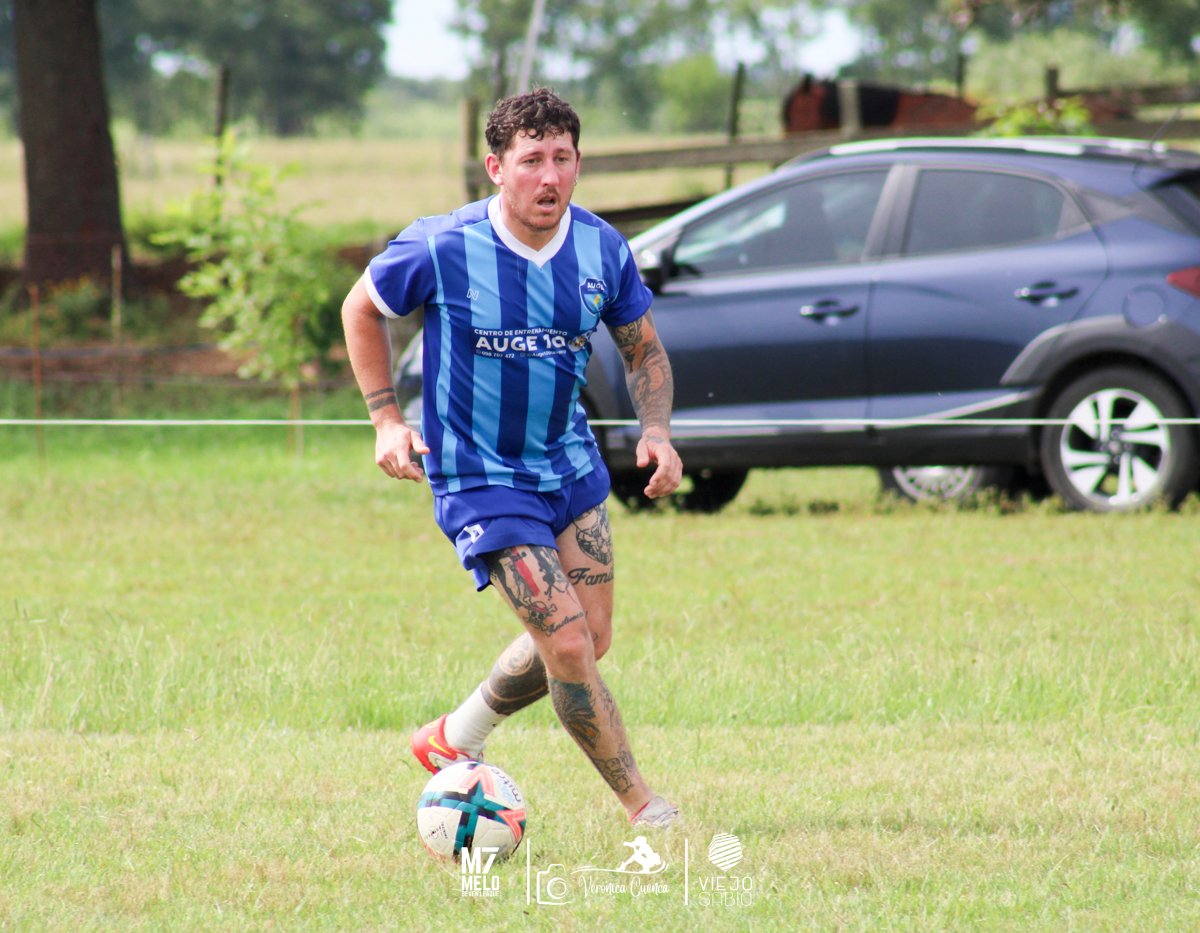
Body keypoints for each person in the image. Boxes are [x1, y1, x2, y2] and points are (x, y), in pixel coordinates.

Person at [341, 88, 683, 828]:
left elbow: (644, 351)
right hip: (480, 477)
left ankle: (454, 735)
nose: (549, 176)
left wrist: (656, 431)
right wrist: (386, 420)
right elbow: (361, 308)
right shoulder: (442, 245)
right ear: (496, 168)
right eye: (531, 160)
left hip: (570, 467)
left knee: (590, 637)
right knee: (567, 643)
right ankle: (644, 807)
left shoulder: (602, 249)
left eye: (563, 158)